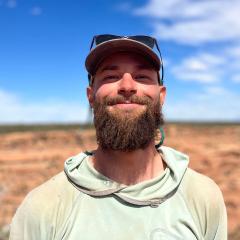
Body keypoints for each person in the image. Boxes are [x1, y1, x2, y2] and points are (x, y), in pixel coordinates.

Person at [9, 34, 227, 240]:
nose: (127, 86)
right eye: (111, 76)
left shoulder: (202, 197)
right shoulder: (43, 207)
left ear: (161, 97)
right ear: (90, 96)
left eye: (141, 76)